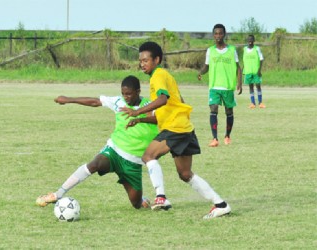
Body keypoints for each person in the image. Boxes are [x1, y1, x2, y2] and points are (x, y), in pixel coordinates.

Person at [121, 41, 231, 219]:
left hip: (175, 128)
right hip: (183, 128)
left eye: (146, 60)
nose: (142, 63)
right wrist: (140, 119)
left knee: (148, 156)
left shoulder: (158, 76)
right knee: (185, 174)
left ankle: (161, 197)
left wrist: (137, 111)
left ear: (157, 59)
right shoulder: (164, 76)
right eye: (140, 60)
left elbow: (163, 99)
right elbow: (170, 105)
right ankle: (220, 204)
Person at [36, 75, 171, 210]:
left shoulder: (148, 106)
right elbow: (95, 102)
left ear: (138, 91)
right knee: (95, 164)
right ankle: (57, 194)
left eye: (129, 94)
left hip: (133, 162)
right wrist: (68, 99)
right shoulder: (119, 102)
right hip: (114, 151)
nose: (126, 97)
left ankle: (140, 199)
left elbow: (160, 118)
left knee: (136, 204)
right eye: (124, 94)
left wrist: (140, 116)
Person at [198, 24, 242, 147]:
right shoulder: (210, 50)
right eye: (216, 34)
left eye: (220, 33)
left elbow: (238, 68)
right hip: (214, 86)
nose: (218, 36)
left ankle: (227, 136)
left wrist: (239, 83)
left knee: (229, 111)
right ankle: (214, 138)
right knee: (213, 109)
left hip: (228, 86)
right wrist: (201, 72)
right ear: (213, 35)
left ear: (224, 34)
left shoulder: (232, 50)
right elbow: (206, 66)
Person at [243, 34, 265, 109]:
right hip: (248, 72)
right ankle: (252, 103)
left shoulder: (257, 49)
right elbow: (244, 60)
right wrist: (244, 70)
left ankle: (260, 102)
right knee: (250, 87)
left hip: (256, 71)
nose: (250, 41)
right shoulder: (245, 49)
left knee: (258, 86)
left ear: (254, 40)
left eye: (251, 39)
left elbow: (261, 59)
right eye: (249, 39)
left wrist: (259, 70)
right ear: (247, 40)